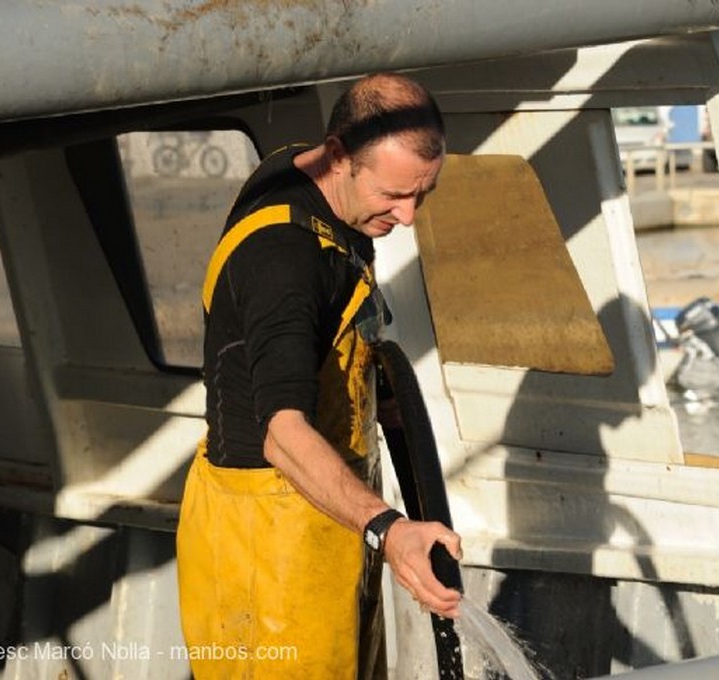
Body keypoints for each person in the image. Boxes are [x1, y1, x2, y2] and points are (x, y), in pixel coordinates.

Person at [176, 72, 463, 679]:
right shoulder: (283, 258)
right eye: (393, 194)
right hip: (266, 538)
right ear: (338, 155)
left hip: (326, 513)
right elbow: (281, 434)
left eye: (423, 194)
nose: (408, 216)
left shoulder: (315, 181)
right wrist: (388, 529)